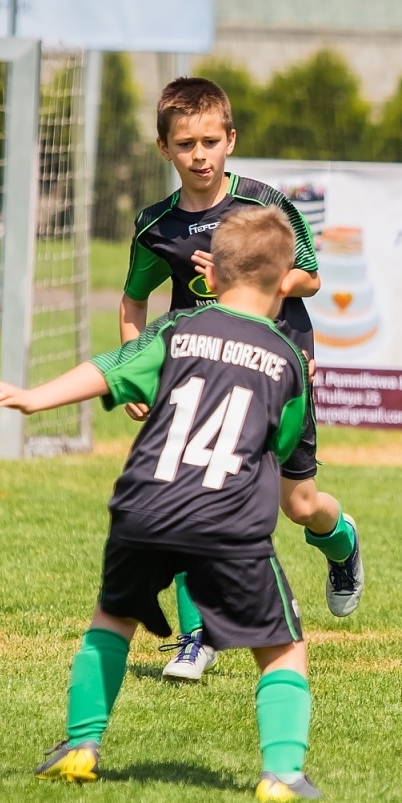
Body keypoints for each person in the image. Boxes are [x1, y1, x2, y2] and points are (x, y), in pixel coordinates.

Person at [0, 206, 323, 803]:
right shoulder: (290, 360)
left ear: (210, 279)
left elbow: (109, 368)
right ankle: (283, 775)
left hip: (143, 506)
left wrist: (34, 399)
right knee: (282, 645)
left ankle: (81, 744)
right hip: (228, 520)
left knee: (113, 618)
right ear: (283, 285)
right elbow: (283, 442)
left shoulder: (177, 332)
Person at [118, 76, 362, 683]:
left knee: (298, 504)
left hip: (274, 359)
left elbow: (307, 279)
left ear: (231, 139)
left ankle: (343, 543)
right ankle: (195, 636)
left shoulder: (265, 205)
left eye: (209, 141)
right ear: (164, 149)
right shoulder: (156, 227)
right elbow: (132, 303)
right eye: (184, 144)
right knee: (182, 489)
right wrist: (136, 372)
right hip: (198, 366)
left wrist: (239, 275)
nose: (198, 155)